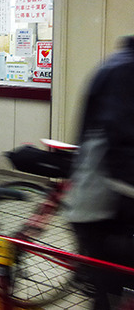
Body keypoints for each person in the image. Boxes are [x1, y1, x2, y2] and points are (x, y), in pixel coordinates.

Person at [66, 35, 134, 309]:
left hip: (105, 199)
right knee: (108, 294)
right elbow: (121, 145)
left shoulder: (120, 65)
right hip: (101, 205)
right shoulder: (125, 71)